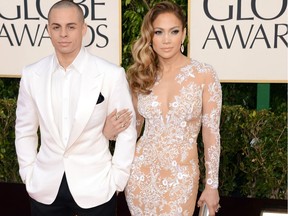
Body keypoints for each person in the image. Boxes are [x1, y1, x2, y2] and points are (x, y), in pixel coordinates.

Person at [14, 1, 136, 215]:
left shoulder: (110, 74)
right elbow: (24, 130)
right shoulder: (32, 74)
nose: (63, 34)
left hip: (97, 186)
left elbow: (127, 130)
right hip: (44, 186)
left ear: (83, 29)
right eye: (56, 27)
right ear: (48, 30)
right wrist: (28, 173)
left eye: (71, 26)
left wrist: (118, 179)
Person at [123, 1, 222, 215]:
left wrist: (211, 184)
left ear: (184, 34)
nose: (166, 40)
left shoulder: (204, 74)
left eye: (174, 31)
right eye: (159, 32)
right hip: (140, 174)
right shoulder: (141, 75)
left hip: (181, 176)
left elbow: (211, 134)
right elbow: (132, 131)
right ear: (150, 36)